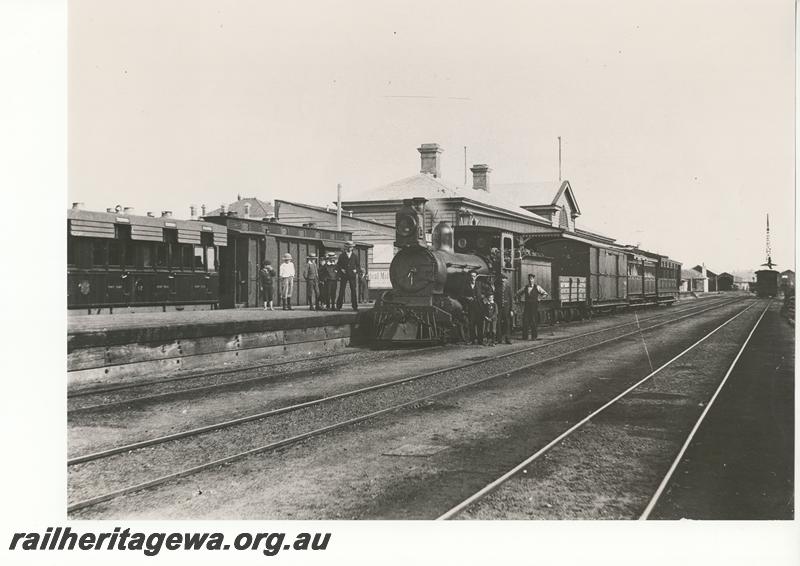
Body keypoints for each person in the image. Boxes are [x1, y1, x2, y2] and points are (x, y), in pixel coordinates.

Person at [515, 273, 548, 340]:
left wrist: (540, 299)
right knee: (525, 321)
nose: (530, 280)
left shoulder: (537, 287)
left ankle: (534, 337)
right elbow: (518, 293)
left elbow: (545, 294)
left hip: (534, 307)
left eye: (531, 279)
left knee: (533, 321)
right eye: (529, 279)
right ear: (528, 280)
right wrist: (518, 299)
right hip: (527, 307)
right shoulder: (525, 287)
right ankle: (525, 337)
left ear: (533, 279)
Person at [336, 241, 361, 311]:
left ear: (352, 248)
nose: (350, 248)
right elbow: (338, 265)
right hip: (344, 275)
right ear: (346, 247)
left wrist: (356, 270)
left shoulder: (355, 256)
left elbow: (358, 266)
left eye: (351, 247)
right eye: (349, 247)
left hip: (352, 275)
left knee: (353, 290)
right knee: (341, 290)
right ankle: (338, 306)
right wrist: (341, 269)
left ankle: (355, 306)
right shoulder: (342, 256)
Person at [462, 270, 484, 345]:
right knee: (471, 324)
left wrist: (484, 298)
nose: (473, 278)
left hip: (479, 307)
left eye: (474, 276)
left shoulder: (480, 284)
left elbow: (489, 290)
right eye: (471, 276)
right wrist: (467, 298)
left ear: (476, 277)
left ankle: (480, 340)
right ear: (469, 277)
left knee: (480, 324)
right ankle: (472, 340)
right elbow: (462, 295)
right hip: (470, 307)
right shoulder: (466, 285)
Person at [498, 272, 514, 344]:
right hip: (499, 308)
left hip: (507, 309)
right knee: (498, 323)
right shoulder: (497, 288)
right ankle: (499, 339)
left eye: (504, 281)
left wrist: (511, 310)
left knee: (507, 323)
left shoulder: (508, 288)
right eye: (502, 281)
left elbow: (511, 299)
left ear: (506, 281)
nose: (503, 282)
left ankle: (508, 339)